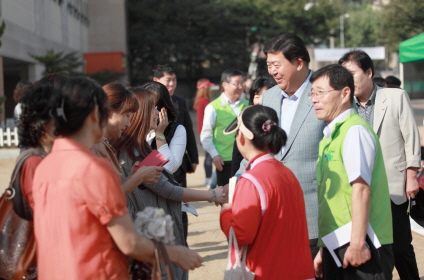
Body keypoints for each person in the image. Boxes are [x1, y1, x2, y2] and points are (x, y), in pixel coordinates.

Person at [32, 77, 202, 280]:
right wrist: (175, 253)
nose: (130, 121)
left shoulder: (45, 164)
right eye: (127, 114)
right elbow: (129, 242)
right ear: (96, 114)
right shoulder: (92, 167)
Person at [112, 87, 226, 280]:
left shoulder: (140, 146)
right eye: (152, 108)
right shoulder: (132, 152)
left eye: (159, 107)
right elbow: (167, 188)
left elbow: (166, 176)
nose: (158, 113)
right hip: (147, 231)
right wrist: (213, 195)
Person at [236, 33, 326, 257]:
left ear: (298, 63)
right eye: (269, 65)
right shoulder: (269, 98)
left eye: (277, 64)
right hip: (273, 214)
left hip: (315, 215)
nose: (272, 71)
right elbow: (257, 149)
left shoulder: (326, 94)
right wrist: (237, 182)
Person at [339, 50, 421, 280]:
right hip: (358, 189)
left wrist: (411, 175)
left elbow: (411, 138)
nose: (347, 80)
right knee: (370, 245)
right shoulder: (345, 105)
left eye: (352, 73)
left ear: (368, 72)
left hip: (393, 187)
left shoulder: (395, 97)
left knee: (401, 247)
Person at [311, 64, 394, 279]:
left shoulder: (354, 131)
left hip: (363, 243)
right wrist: (323, 249)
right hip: (336, 242)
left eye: (321, 93)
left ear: (345, 93)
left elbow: (361, 190)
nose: (314, 100)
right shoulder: (330, 136)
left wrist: (357, 243)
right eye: (312, 94)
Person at [220, 105, 314, 280]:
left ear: (241, 137)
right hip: (299, 271)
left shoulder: (251, 180)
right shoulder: (288, 174)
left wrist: (226, 210)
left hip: (266, 271)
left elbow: (241, 234)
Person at [91, 82, 163, 195]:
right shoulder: (94, 147)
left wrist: (131, 177)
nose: (129, 123)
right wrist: (137, 178)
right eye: (127, 115)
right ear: (110, 112)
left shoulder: (101, 143)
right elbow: (107, 198)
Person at [153, 64, 199, 188]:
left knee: (180, 196)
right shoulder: (149, 103)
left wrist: (194, 158)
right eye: (168, 80)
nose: (172, 84)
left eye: (174, 80)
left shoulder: (180, 102)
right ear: (156, 81)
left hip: (179, 158)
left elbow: (188, 129)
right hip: (155, 159)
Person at [201, 69, 249, 186]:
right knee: (226, 198)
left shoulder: (248, 105)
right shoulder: (213, 107)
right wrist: (215, 155)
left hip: (245, 159)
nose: (240, 87)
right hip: (224, 161)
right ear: (225, 85)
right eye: (236, 83)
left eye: (242, 83)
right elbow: (205, 135)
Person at [230, 75, 276, 176]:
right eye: (257, 96)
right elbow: (237, 157)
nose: (260, 101)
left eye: (264, 96)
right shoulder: (246, 120)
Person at [193, 78, 214, 188]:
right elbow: (203, 119)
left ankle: (208, 178)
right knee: (210, 156)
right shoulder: (204, 101)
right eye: (208, 87)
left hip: (204, 132)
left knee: (208, 156)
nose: (210, 89)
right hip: (207, 133)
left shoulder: (202, 101)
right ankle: (209, 178)